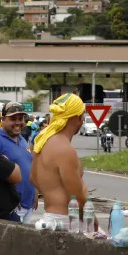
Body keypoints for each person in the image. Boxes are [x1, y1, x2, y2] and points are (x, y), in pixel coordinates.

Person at [30, 93, 87, 227]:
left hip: (49, 216)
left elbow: (33, 178)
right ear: (79, 117)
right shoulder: (65, 149)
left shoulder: (42, 141)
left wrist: (52, 193)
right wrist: (95, 227)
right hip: (65, 221)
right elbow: (77, 198)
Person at [0, 102, 37, 223]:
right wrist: (9, 197)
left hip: (28, 205)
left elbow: (28, 165)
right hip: (12, 207)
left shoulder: (21, 139)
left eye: (21, 119)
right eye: (13, 119)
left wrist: (35, 190)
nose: (18, 123)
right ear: (3, 119)